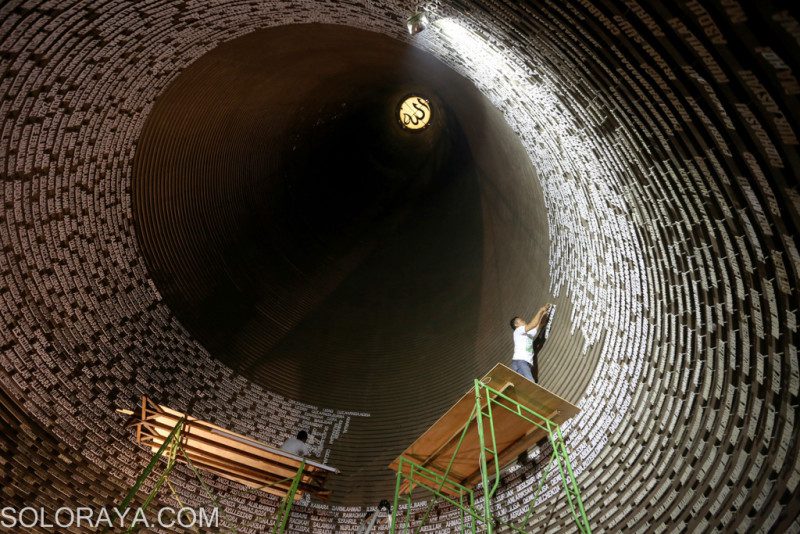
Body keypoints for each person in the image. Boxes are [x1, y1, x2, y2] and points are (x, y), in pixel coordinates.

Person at [509, 304, 553, 382]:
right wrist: (541, 310)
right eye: (522, 321)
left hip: (525, 363)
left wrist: (545, 313)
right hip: (520, 362)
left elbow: (539, 324)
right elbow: (533, 324)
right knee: (531, 384)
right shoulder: (518, 331)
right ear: (516, 325)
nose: (524, 321)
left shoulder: (529, 333)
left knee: (524, 386)